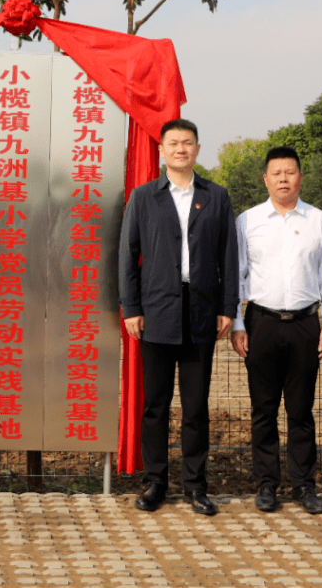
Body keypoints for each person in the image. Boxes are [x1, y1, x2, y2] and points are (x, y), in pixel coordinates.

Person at [119, 118, 238, 515]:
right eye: (173, 143)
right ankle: (155, 482)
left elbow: (228, 258)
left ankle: (195, 486)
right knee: (155, 405)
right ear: (162, 150)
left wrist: (228, 308)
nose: (180, 149)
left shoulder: (216, 197)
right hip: (156, 312)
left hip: (202, 311)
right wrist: (132, 308)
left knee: (196, 405)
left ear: (197, 150)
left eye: (188, 143)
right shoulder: (144, 197)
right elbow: (127, 257)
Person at [230, 147, 322, 515]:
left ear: (300, 177)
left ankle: (304, 485)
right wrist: (238, 322)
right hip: (261, 322)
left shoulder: (318, 220)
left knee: (301, 410)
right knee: (263, 409)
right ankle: (266, 484)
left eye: (289, 172)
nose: (283, 179)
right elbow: (238, 275)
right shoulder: (247, 221)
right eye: (276, 173)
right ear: (266, 179)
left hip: (306, 324)